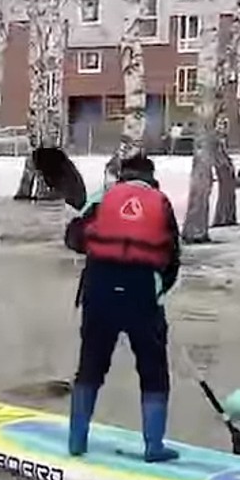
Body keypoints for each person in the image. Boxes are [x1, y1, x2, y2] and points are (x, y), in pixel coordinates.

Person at [63, 153, 181, 462]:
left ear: (121, 175)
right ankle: (154, 446)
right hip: (142, 293)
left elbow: (74, 239)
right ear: (151, 177)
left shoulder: (103, 198)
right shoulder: (160, 202)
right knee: (153, 371)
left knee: (90, 366)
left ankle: (77, 440)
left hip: (100, 289)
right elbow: (172, 257)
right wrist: (158, 292)